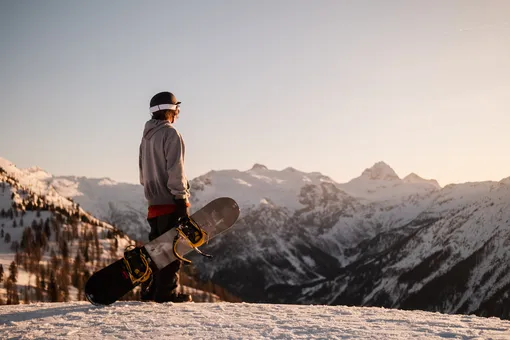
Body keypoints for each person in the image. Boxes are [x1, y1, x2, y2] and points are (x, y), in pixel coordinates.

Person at [138, 91, 192, 303]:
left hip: (153, 204)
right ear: (169, 110)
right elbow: (175, 169)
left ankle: (151, 290)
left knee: (157, 250)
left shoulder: (146, 138)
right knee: (172, 250)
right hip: (170, 201)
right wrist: (180, 200)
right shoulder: (170, 134)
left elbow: (142, 174)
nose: (178, 112)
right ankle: (166, 292)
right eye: (177, 108)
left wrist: (153, 194)